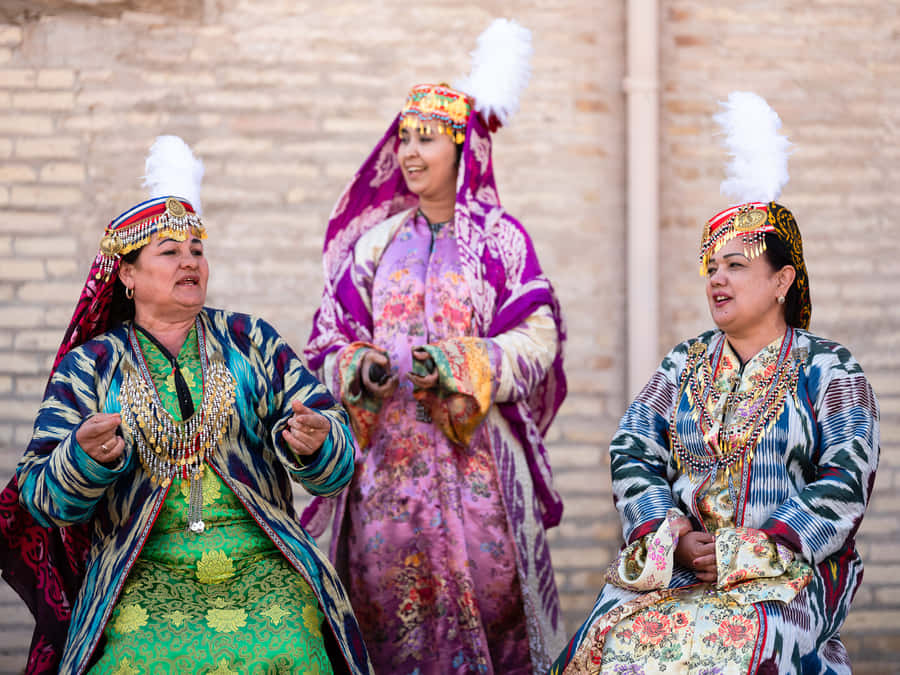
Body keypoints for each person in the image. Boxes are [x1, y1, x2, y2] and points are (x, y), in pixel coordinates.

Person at [0, 136, 374, 675]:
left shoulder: (251, 342)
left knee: (290, 645)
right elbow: (39, 498)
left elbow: (337, 461)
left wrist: (318, 445)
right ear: (127, 275)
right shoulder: (91, 366)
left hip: (260, 555)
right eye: (170, 251)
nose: (190, 261)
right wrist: (81, 460)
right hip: (142, 567)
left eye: (197, 249)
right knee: (133, 661)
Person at [549, 92, 880, 675]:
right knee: (604, 642)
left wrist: (753, 545)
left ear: (782, 281)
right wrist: (669, 531)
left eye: (736, 265)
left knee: (727, 648)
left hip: (788, 570)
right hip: (679, 564)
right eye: (712, 267)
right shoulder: (685, 363)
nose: (718, 280)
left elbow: (846, 481)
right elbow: (632, 448)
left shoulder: (829, 369)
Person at [301, 18, 567, 675]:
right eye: (404, 139)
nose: (411, 153)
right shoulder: (375, 244)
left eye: (427, 138)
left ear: (462, 146)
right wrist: (353, 364)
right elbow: (326, 335)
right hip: (383, 473)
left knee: (493, 611)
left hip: (478, 471)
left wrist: (463, 362)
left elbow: (539, 336)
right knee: (386, 616)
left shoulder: (501, 241)